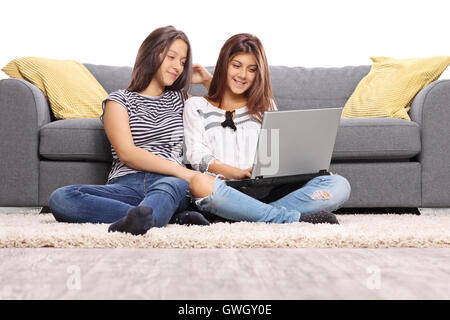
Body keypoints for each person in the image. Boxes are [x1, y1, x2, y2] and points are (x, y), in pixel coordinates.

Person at [49, 26, 212, 235]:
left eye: (183, 62)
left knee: (170, 187)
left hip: (170, 184)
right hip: (126, 185)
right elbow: (127, 153)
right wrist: (185, 173)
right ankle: (166, 218)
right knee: (61, 198)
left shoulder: (181, 99)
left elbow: (227, 108)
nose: (178, 67)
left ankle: (143, 218)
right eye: (172, 57)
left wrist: (207, 79)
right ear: (152, 53)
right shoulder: (118, 100)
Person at [184, 33, 351, 224]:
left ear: (259, 73)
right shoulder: (196, 105)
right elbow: (197, 156)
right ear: (224, 66)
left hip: (266, 190)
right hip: (226, 189)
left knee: (338, 184)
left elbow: (275, 153)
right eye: (236, 66)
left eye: (252, 69)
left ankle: (252, 214)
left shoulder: (264, 104)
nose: (243, 75)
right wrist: (237, 173)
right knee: (199, 183)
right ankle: (287, 217)